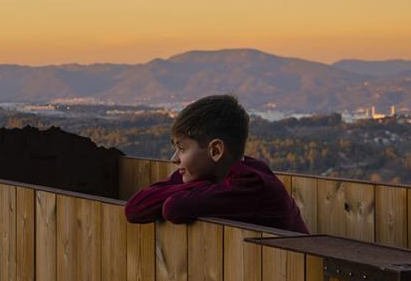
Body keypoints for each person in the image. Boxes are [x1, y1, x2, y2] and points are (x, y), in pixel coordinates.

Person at [124, 94, 309, 233]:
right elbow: (135, 208)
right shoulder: (209, 174)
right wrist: (206, 184)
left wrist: (201, 186)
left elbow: (174, 208)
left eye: (182, 149)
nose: (174, 159)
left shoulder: (253, 184)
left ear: (216, 151)